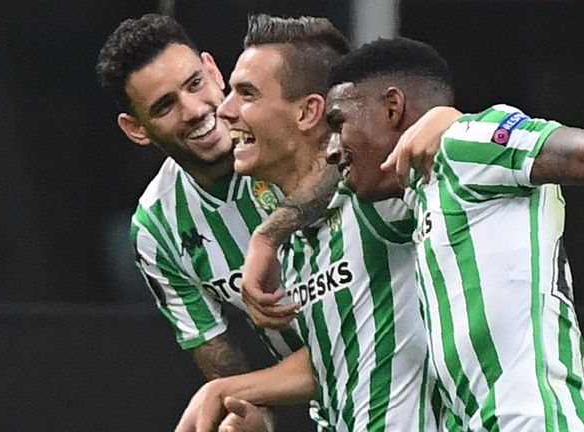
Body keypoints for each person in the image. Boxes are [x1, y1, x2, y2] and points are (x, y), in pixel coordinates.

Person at [315, 36, 584, 430]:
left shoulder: (464, 141)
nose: (332, 149)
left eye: (338, 124)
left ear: (392, 107)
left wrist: (451, 121)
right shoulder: (423, 190)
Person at [177, 14, 441, 432]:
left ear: (308, 112)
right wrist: (235, 395)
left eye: (246, 94)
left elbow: (434, 145)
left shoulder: (377, 200)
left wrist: (450, 121)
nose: (224, 110)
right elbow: (338, 357)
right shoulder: (294, 242)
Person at [95, 14, 339, 430]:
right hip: (339, 407)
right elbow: (230, 379)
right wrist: (250, 417)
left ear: (213, 70)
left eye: (194, 84)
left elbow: (343, 161)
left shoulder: (293, 137)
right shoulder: (158, 230)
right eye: (165, 105)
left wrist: (268, 233)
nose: (194, 110)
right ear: (136, 129)